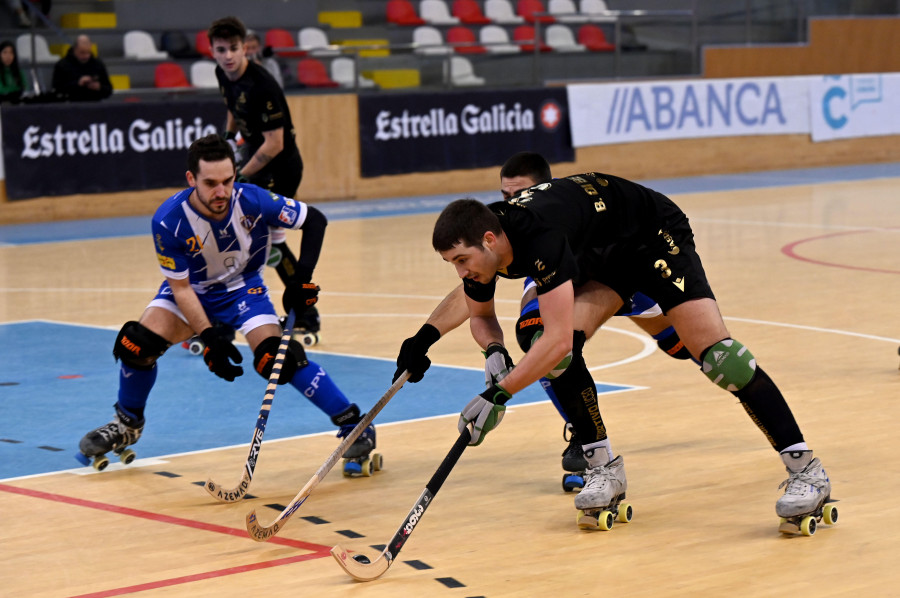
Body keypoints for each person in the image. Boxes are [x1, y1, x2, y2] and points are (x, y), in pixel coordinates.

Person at [421, 160, 832, 530]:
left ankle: (807, 471)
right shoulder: (486, 249)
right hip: (598, 249)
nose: (461, 272)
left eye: (461, 260)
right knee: (545, 346)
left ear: (490, 240)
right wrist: (493, 352)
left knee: (723, 360)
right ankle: (603, 468)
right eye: (452, 264)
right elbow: (480, 316)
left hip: (651, 233)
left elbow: (559, 338)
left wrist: (498, 394)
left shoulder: (539, 239)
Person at [395, 152, 697, 490]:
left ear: (546, 189)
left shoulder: (545, 227)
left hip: (618, 265)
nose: (513, 203)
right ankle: (586, 439)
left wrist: (498, 393)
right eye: (506, 196)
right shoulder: (504, 235)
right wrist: (425, 337)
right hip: (568, 279)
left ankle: (701, 347)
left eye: (521, 193)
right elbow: (473, 290)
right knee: (537, 333)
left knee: (680, 345)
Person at [76, 135, 376, 473]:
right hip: (194, 292)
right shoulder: (168, 220)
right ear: (191, 180)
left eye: (227, 181)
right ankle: (127, 425)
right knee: (136, 344)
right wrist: (209, 335)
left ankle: (354, 424)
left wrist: (299, 280)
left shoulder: (254, 200)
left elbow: (315, 220)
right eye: (210, 183)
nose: (221, 192)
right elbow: (182, 289)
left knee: (277, 358)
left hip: (243, 290)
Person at [207, 16, 319, 341]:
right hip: (255, 163)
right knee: (252, 242)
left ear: (246, 49)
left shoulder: (263, 86)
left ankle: (306, 314)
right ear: (212, 52)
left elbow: (276, 143)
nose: (228, 56)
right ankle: (232, 317)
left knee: (270, 244)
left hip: (279, 168)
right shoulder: (222, 73)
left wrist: (237, 175)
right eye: (221, 50)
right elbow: (231, 104)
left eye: (234, 49)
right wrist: (229, 137)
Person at [51, 34, 112, 101]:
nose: (86, 56)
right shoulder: (62, 65)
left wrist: (99, 87)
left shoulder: (98, 64)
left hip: (94, 104)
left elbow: (109, 90)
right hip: (70, 104)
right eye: (82, 52)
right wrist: (78, 84)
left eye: (88, 52)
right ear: (75, 50)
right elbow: (57, 89)